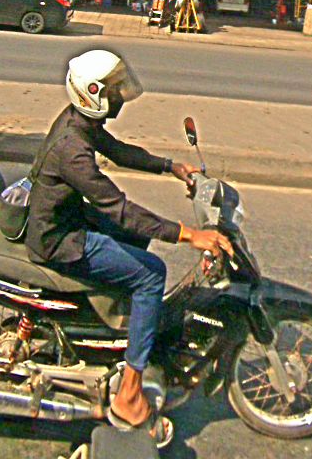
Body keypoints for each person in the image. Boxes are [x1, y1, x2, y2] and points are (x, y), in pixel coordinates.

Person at [25, 49, 232, 444]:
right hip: (62, 240)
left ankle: (123, 328)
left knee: (138, 240)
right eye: (112, 89)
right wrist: (189, 235)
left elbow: (118, 151)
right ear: (92, 94)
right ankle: (129, 393)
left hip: (69, 219)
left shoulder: (79, 123)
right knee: (152, 274)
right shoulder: (72, 149)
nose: (119, 94)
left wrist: (170, 166)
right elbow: (118, 209)